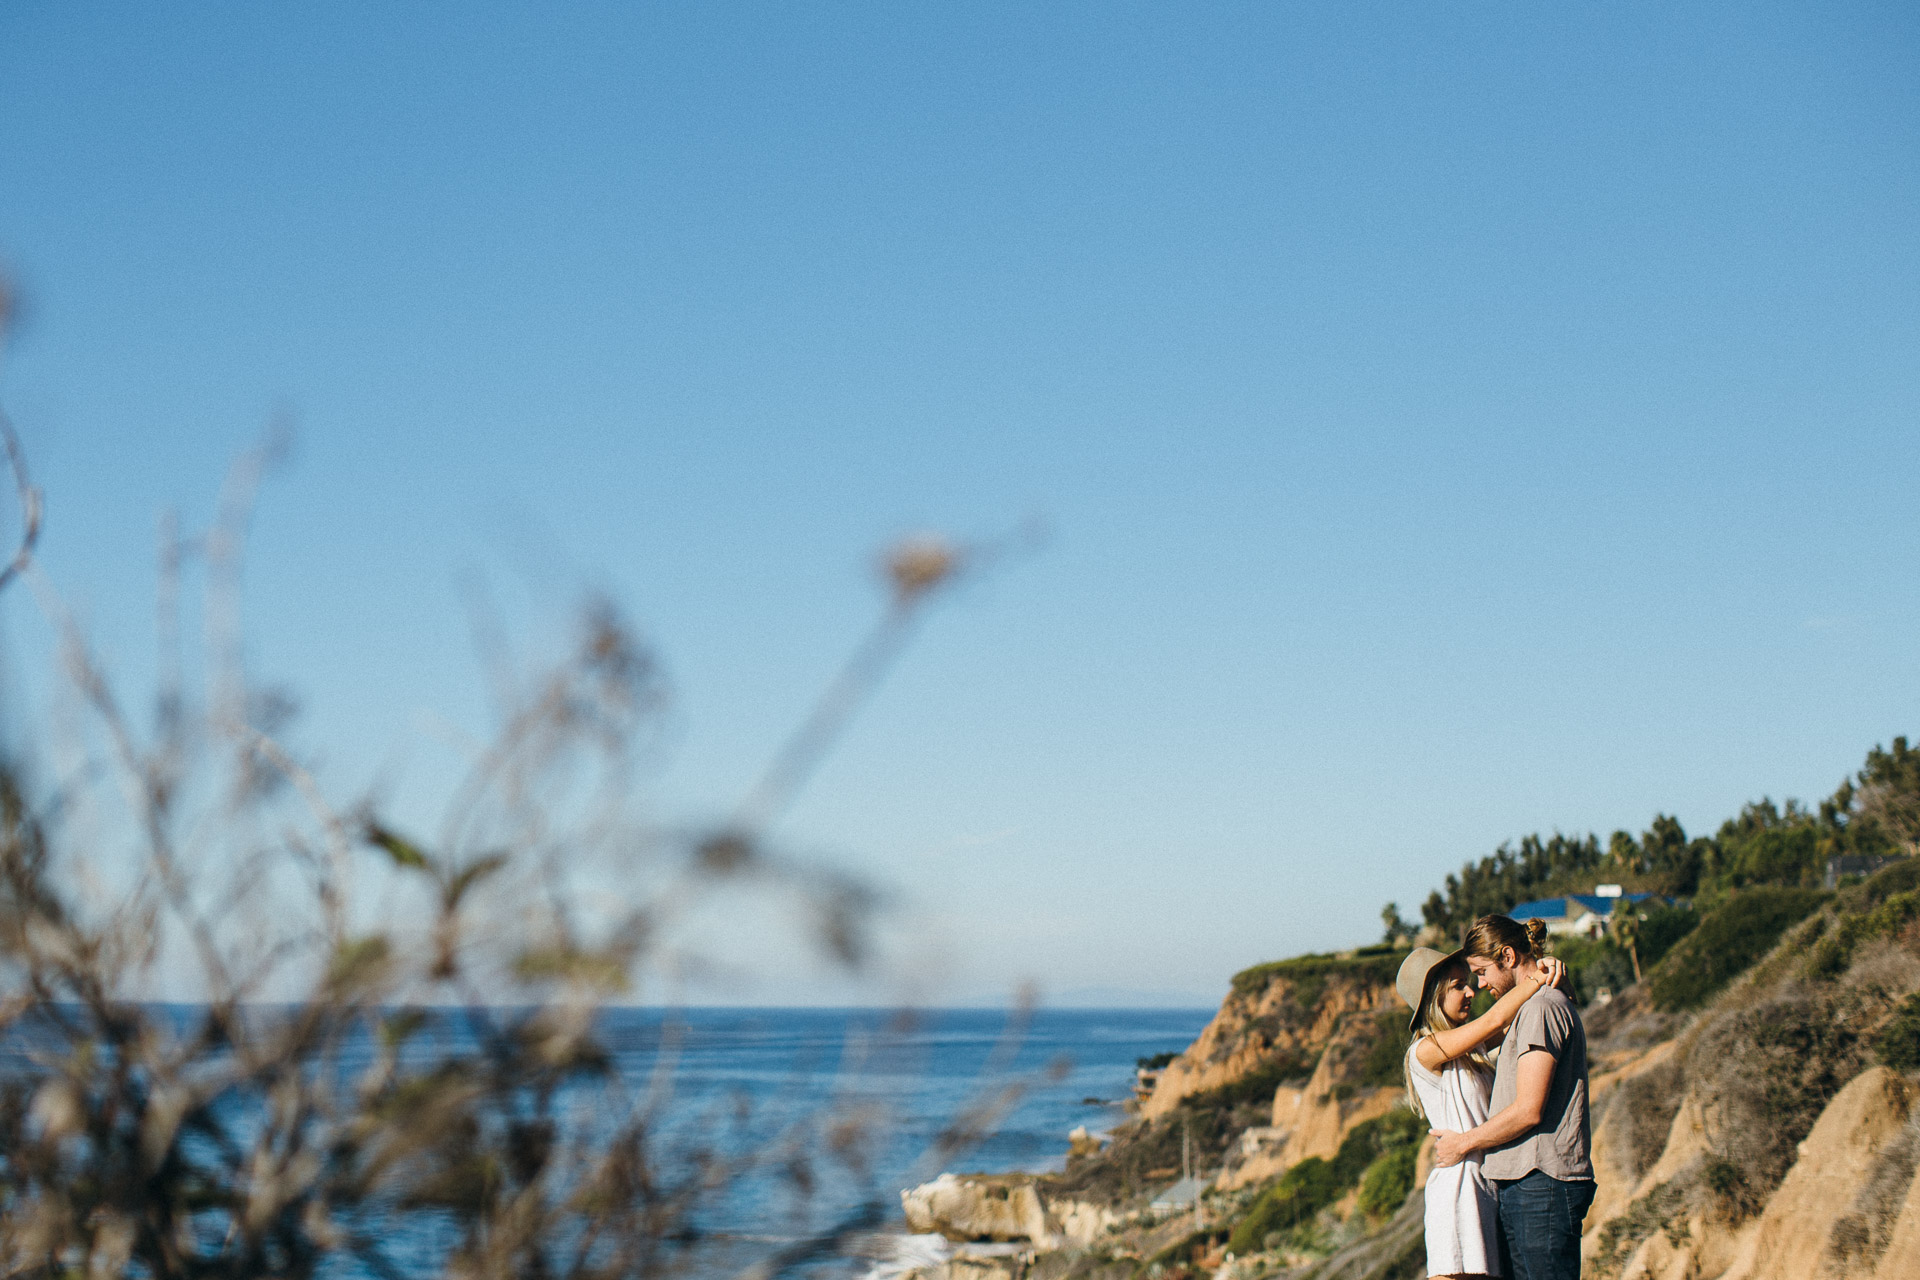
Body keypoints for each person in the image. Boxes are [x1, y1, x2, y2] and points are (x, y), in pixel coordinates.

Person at [1432, 916, 1594, 1280]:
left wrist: (1463, 1144)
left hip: (1542, 1184)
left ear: (1507, 956)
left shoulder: (1540, 1008)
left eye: (1482, 971)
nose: (1481, 983)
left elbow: (1528, 1110)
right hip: (1528, 1184)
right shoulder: (1531, 1006)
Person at [1397, 945, 1567, 1279]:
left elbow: (1519, 1016)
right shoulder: (1426, 1051)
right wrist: (1537, 976)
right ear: (1433, 996)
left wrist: (1553, 973)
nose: (1471, 991)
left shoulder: (1468, 1050)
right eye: (1458, 985)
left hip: (1485, 1184)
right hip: (1458, 1190)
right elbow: (1497, 1018)